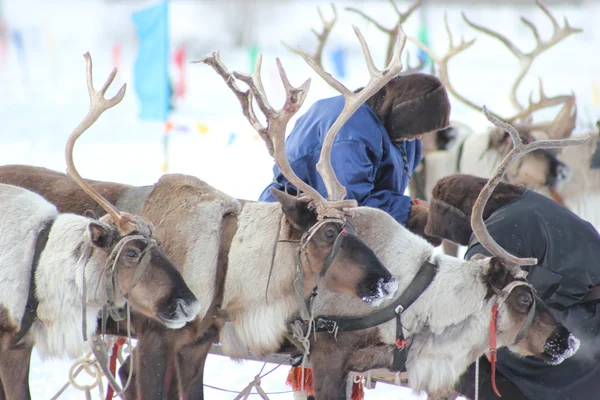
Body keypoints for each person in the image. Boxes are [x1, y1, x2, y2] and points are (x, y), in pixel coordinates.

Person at [424, 174, 600, 400]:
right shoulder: (523, 205)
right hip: (586, 316)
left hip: (583, 335)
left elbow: (470, 307)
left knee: (462, 361)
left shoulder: (492, 235)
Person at [258, 73, 451, 245]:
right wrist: (413, 213)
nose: (419, 137)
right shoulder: (350, 134)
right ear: (405, 115)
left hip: (338, 229)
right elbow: (351, 206)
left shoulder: (398, 132)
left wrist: (412, 208)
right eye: (418, 128)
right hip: (294, 227)